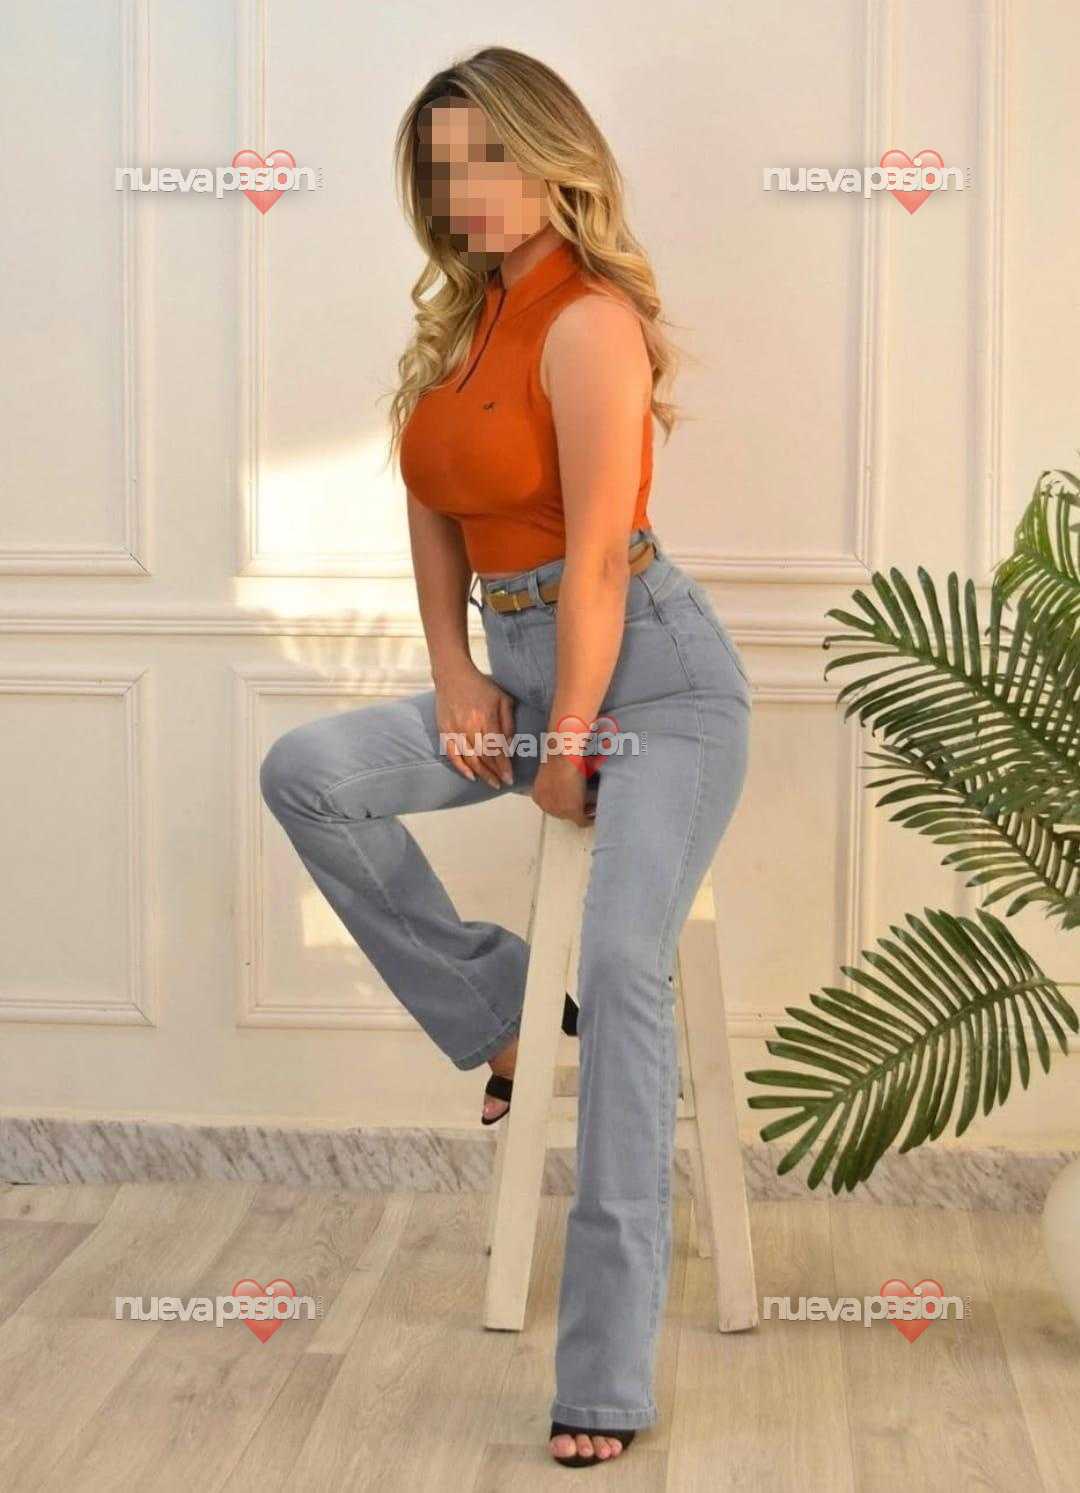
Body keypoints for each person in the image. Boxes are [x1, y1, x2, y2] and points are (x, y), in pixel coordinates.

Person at [259, 44, 752, 1470]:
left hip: (656, 679)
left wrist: (572, 734)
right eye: (442, 167)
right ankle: (503, 1016)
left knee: (624, 962)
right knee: (309, 771)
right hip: (522, 665)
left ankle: (603, 1371)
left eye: (488, 157)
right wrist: (458, 670)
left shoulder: (588, 321)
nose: (465, 189)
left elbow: (595, 557)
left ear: (553, 156)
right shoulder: (466, 326)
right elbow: (434, 507)